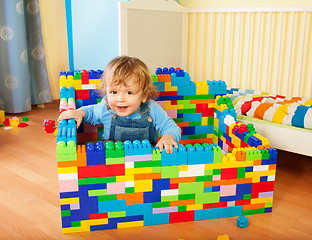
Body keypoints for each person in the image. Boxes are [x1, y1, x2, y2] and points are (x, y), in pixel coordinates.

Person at [58, 56, 181, 153]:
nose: (120, 99)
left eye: (129, 92)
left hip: (145, 163)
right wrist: (78, 113)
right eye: (113, 92)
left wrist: (168, 137)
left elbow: (172, 127)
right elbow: (91, 112)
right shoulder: (106, 108)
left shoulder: (152, 109)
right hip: (112, 162)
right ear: (106, 91)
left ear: (144, 95)